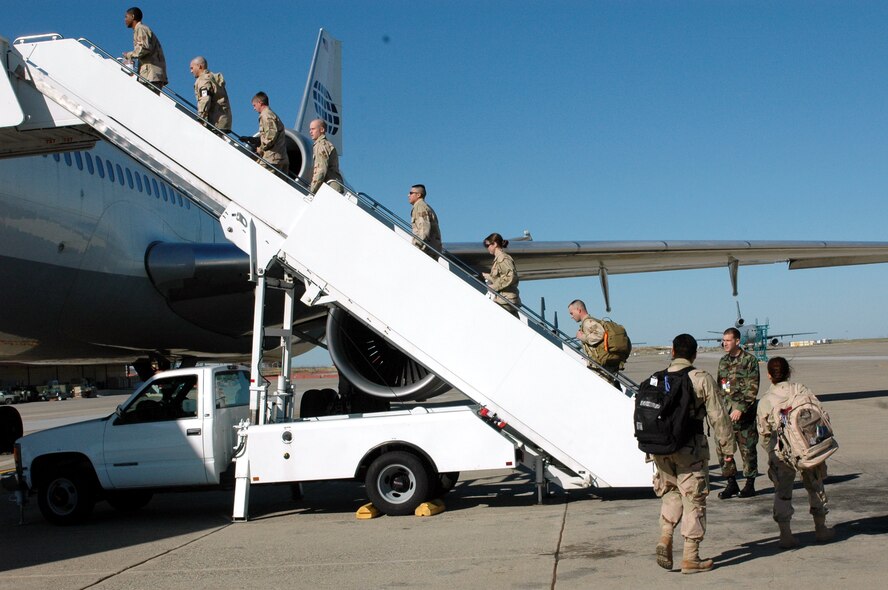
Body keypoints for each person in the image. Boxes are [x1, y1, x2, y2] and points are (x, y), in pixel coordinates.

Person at [652, 334, 736, 574]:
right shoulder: (701, 378)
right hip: (690, 450)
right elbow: (718, 417)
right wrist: (727, 450)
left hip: (661, 450)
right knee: (694, 501)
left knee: (671, 493)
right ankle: (690, 557)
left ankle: (665, 537)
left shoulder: (659, 379)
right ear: (695, 354)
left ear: (672, 351)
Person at [757, 356, 834, 549]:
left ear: (769, 376)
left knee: (783, 492)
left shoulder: (766, 401)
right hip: (808, 448)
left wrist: (771, 452)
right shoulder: (801, 390)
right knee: (815, 486)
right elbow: (820, 413)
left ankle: (785, 534)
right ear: (788, 372)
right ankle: (821, 528)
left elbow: (764, 433)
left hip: (783, 453)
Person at [716, 327, 760, 499]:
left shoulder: (749, 361)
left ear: (737, 341)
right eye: (724, 340)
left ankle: (750, 484)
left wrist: (740, 408)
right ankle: (731, 483)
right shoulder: (723, 362)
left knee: (748, 449)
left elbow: (752, 388)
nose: (725, 343)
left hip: (744, 416)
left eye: (728, 340)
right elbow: (721, 387)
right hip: (726, 416)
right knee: (724, 450)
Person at [567, 300, 621, 372]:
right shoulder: (588, 322)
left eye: (572, 313)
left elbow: (600, 334)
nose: (571, 316)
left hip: (600, 368)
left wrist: (582, 337)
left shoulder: (588, 323)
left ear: (579, 310)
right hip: (601, 366)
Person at [122, 7, 167, 90]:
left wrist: (129, 55)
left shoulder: (140, 29)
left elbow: (144, 48)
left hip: (150, 75)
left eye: (126, 17)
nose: (125, 19)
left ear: (132, 17)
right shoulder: (142, 29)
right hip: (152, 74)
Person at [481, 232, 521, 316]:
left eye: (487, 245)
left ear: (494, 244)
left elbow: (511, 276)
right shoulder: (499, 258)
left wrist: (494, 287)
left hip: (505, 300)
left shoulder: (502, 258)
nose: (487, 248)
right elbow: (501, 276)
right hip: (507, 300)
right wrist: (487, 276)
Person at [189, 56, 232, 133]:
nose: (191, 71)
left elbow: (205, 98)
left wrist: (201, 117)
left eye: (192, 68)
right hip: (224, 120)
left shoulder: (203, 80)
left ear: (199, 66)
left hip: (215, 121)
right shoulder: (213, 78)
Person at [251, 92, 289, 176]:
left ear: (260, 103)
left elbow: (271, 137)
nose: (254, 108)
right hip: (280, 159)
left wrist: (260, 149)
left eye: (254, 105)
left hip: (272, 159)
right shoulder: (272, 115)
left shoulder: (266, 115)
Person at [308, 119, 343, 193]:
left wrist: (312, 190)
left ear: (322, 129)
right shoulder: (326, 144)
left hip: (329, 187)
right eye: (310, 129)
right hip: (333, 185)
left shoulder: (321, 145)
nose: (310, 132)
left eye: (313, 129)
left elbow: (321, 169)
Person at [408, 184, 442, 256]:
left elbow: (424, 228)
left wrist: (417, 246)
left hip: (426, 250)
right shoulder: (423, 206)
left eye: (411, 193)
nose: (408, 195)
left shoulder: (420, 206)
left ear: (418, 195)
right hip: (431, 249)